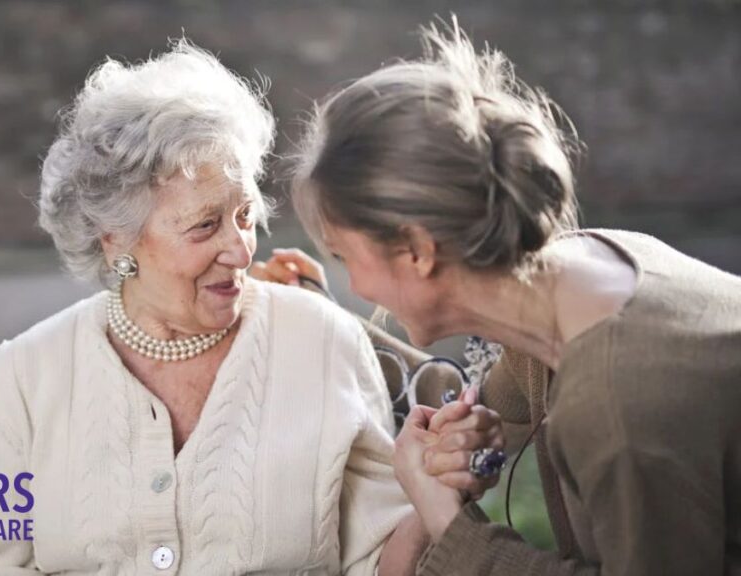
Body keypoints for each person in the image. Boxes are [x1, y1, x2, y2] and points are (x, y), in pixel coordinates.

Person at [0, 41, 500, 575]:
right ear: (115, 238)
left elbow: (377, 562)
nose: (239, 249)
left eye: (244, 215)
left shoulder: (322, 341)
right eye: (205, 225)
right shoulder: (24, 373)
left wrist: (434, 490)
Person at [281, 19, 741, 576]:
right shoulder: (586, 268)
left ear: (418, 251)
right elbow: (481, 407)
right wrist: (457, 444)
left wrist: (451, 526)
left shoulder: (619, 407)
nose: (356, 288)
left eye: (345, 258)